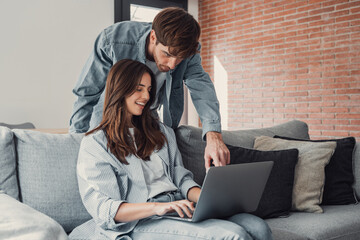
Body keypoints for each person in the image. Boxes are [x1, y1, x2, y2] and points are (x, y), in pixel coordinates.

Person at [69, 59, 273, 240]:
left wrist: (206, 198)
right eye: (139, 89)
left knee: (258, 228)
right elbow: (104, 209)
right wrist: (158, 208)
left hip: (179, 206)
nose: (146, 96)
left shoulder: (161, 132)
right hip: (142, 221)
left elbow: (181, 178)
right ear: (119, 90)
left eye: (149, 89)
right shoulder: (96, 144)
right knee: (234, 235)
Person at [69, 7, 229, 170]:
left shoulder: (188, 51)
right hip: (107, 115)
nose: (172, 64)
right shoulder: (113, 40)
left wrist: (213, 135)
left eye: (180, 58)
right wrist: (76, 141)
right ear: (153, 37)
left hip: (147, 114)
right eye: (167, 54)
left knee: (153, 167)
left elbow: (201, 87)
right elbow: (86, 93)